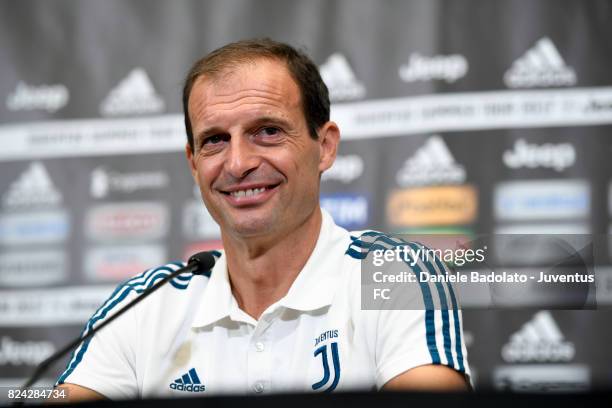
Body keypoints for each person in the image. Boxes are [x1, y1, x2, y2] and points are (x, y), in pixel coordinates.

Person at [55, 39, 470, 401]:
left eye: (267, 131)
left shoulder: (391, 274)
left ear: (324, 147)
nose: (238, 163)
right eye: (215, 140)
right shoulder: (141, 305)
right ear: (193, 163)